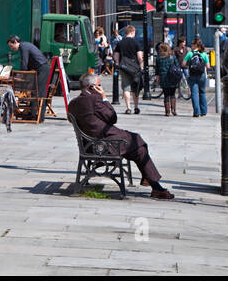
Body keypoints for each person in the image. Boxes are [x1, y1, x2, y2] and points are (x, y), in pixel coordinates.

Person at [72, 71, 174, 200]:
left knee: (138, 141)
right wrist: (104, 97)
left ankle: (151, 181)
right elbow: (112, 117)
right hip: (103, 145)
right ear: (91, 87)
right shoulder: (94, 99)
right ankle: (155, 186)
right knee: (139, 146)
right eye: (99, 85)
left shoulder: (74, 103)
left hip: (90, 143)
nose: (101, 87)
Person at [8, 35, 52, 101]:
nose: (11, 48)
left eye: (11, 46)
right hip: (42, 67)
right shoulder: (25, 45)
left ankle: (36, 111)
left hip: (42, 68)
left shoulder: (23, 46)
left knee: (37, 92)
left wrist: (20, 75)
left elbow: (24, 62)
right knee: (37, 92)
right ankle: (34, 110)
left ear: (15, 42)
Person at [115, 25, 144, 114]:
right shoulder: (136, 43)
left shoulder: (120, 43)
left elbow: (116, 57)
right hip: (135, 68)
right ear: (132, 32)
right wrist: (141, 66)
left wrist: (118, 65)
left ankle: (128, 108)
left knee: (126, 88)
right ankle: (136, 107)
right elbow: (139, 57)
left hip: (124, 68)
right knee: (135, 88)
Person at [184, 36, 211, 117]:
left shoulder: (190, 53)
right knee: (202, 92)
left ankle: (196, 112)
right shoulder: (204, 54)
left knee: (194, 93)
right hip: (201, 75)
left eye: (192, 44)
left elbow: (183, 64)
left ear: (196, 45)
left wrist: (189, 65)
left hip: (192, 75)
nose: (191, 45)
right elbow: (208, 66)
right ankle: (204, 111)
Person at [157, 41, 182, 116]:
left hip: (163, 77)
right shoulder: (172, 57)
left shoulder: (159, 58)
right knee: (173, 94)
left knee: (166, 95)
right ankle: (173, 110)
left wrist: (157, 77)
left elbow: (157, 69)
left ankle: (167, 111)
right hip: (172, 77)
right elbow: (177, 66)